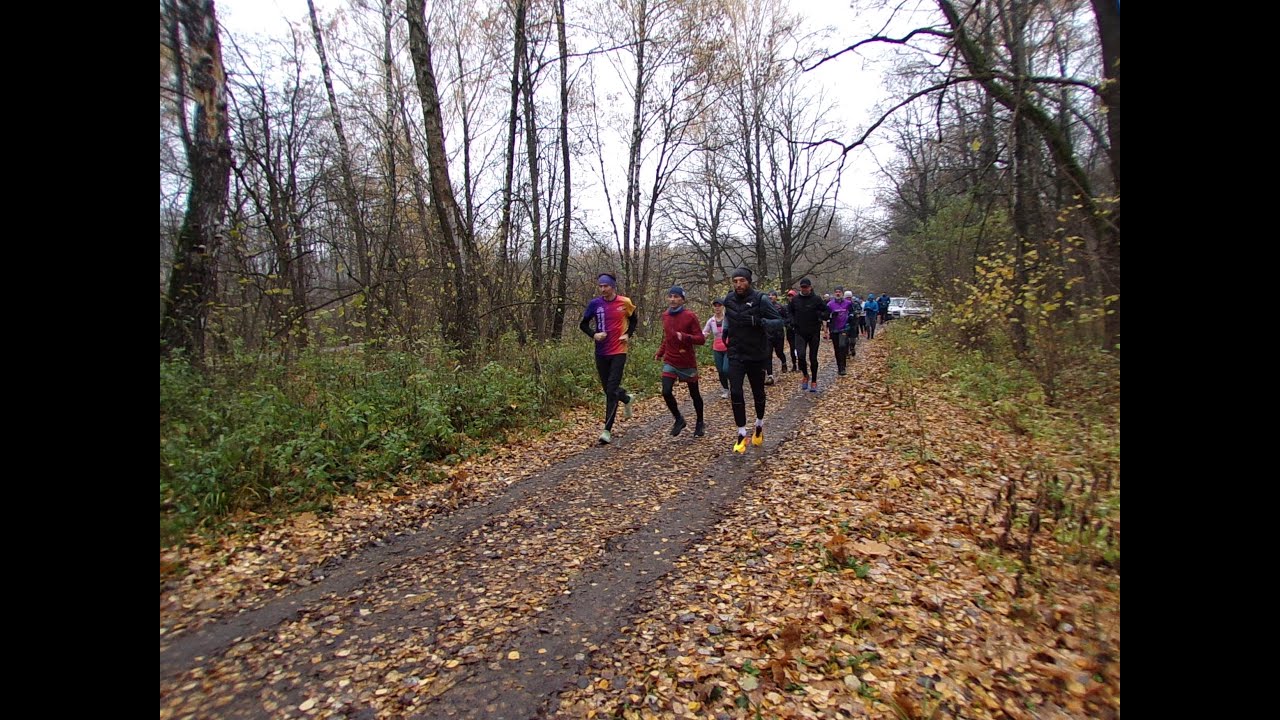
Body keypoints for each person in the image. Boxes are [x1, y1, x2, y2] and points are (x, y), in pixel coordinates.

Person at [722, 267, 784, 453]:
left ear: (749, 281)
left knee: (758, 392)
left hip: (756, 354)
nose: (738, 284)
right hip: (735, 353)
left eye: (742, 281)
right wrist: (725, 332)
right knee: (736, 392)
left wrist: (760, 322)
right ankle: (741, 433)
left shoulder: (761, 299)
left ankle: (759, 424)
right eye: (735, 281)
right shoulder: (729, 299)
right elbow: (728, 318)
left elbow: (779, 322)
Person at [579, 273, 637, 444]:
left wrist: (627, 335)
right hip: (601, 351)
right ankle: (626, 398)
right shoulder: (595, 304)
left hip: (619, 350)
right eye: (600, 286)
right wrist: (594, 334)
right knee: (608, 389)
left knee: (611, 390)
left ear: (613, 286)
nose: (603, 289)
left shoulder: (624, 302)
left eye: (606, 286)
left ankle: (607, 430)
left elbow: (634, 321)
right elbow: (583, 324)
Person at [654, 286, 706, 437]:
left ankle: (700, 422)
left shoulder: (690, 316)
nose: (672, 299)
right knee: (666, 391)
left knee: (694, 394)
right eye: (670, 296)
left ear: (682, 300)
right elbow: (668, 337)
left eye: (676, 297)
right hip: (670, 359)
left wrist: (685, 337)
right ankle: (678, 419)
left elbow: (701, 339)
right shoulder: (665, 316)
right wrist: (660, 352)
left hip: (687, 361)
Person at [788, 278, 830, 393]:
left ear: (810, 287)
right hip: (799, 332)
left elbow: (826, 312)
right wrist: (792, 321)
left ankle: (814, 380)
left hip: (813, 332)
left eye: (806, 287)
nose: (804, 289)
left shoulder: (816, 299)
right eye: (802, 287)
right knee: (800, 356)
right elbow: (789, 312)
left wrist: (820, 315)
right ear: (800, 288)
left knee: (813, 358)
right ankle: (805, 375)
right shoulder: (795, 300)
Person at [702, 299, 730, 399]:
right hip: (717, 348)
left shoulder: (727, 318)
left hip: (728, 347)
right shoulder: (711, 321)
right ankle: (725, 389)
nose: (717, 307)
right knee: (720, 371)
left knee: (726, 369)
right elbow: (704, 332)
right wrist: (700, 338)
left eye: (719, 305)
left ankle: (734, 384)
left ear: (723, 307)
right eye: (715, 306)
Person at [826, 288, 855, 375]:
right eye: (836, 292)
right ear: (834, 293)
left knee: (842, 346)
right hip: (834, 329)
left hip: (844, 328)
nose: (838, 294)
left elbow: (852, 312)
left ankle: (843, 367)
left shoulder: (848, 303)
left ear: (842, 293)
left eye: (839, 292)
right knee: (837, 349)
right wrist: (831, 315)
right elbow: (826, 316)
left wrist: (851, 316)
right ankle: (839, 366)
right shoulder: (830, 304)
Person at [765, 290, 788, 383]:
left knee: (779, 352)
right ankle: (770, 375)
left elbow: (786, 318)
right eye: (769, 295)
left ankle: (784, 362)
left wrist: (782, 323)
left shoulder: (780, 307)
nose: (770, 297)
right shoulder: (764, 307)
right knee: (768, 354)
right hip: (767, 334)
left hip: (778, 334)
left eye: (772, 295)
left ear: (776, 297)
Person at [784, 289, 799, 370]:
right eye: (789, 296)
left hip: (798, 330)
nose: (790, 298)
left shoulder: (799, 306)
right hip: (789, 330)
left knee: (799, 347)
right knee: (792, 348)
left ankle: (800, 362)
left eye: (792, 296)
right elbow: (782, 317)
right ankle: (794, 364)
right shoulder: (785, 307)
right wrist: (787, 323)